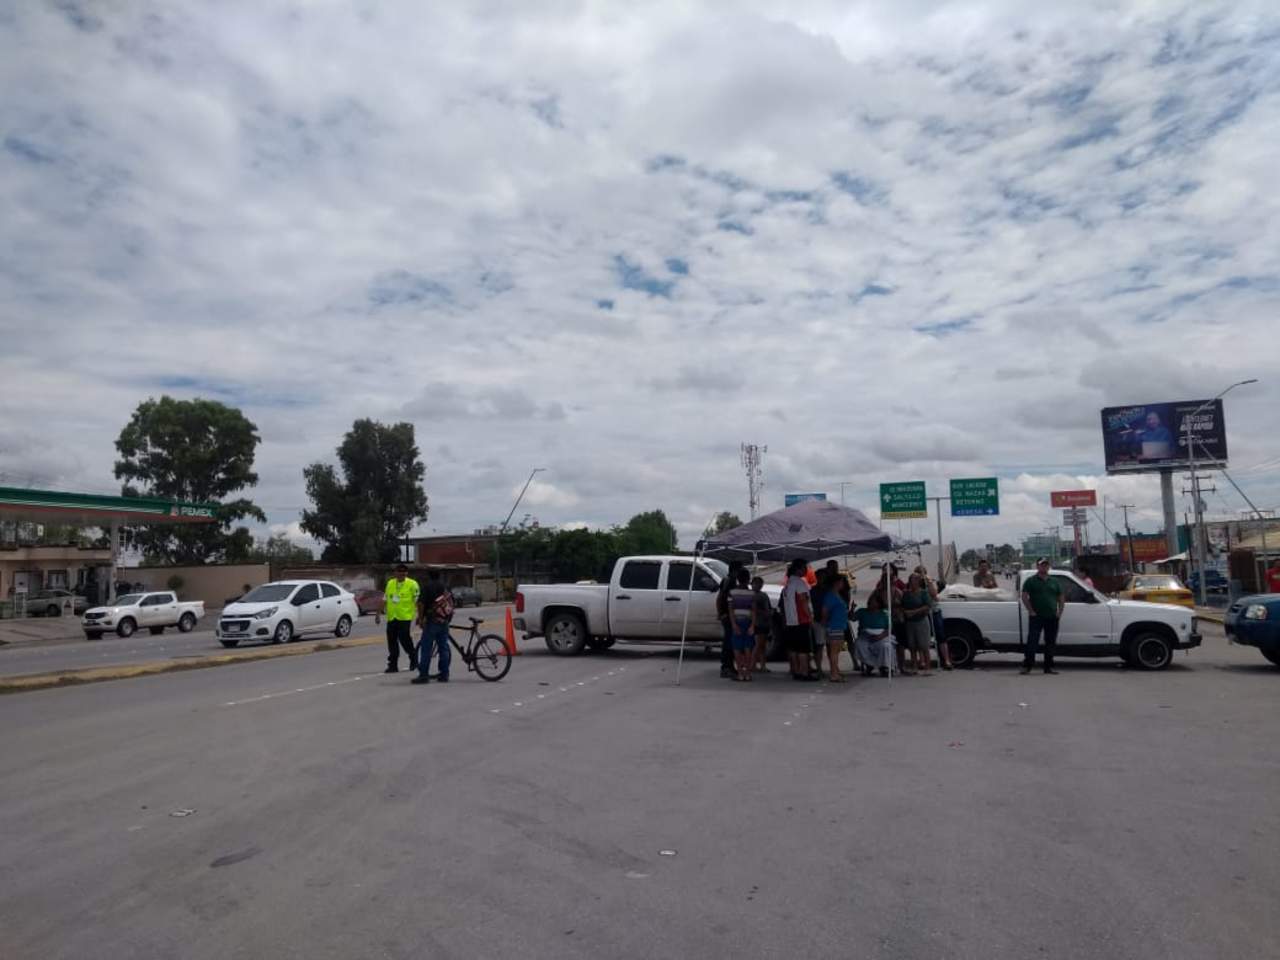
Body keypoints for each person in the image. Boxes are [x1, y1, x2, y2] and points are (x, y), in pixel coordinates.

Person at [1020, 557, 1064, 675]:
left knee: (1050, 642)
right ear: (1037, 566)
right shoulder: (1031, 581)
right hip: (1036, 617)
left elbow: (1061, 597)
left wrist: (1059, 612)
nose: (1044, 567)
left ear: (1048, 566)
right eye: (1042, 565)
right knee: (1032, 642)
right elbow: (1024, 596)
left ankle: (1048, 667)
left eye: (1046, 565)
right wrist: (1031, 611)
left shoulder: (1055, 581)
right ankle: (1027, 666)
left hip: (1052, 617)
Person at [412, 570, 453, 685]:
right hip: (444, 621)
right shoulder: (445, 587)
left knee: (426, 649)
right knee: (443, 648)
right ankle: (444, 674)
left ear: (429, 576)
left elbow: (421, 603)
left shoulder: (427, 587)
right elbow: (451, 603)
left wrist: (420, 618)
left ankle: (424, 675)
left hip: (431, 621)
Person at [780, 558, 816, 681]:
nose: (806, 570)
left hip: (790, 620)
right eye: (805, 568)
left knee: (794, 648)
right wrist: (810, 617)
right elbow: (803, 601)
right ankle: (804, 672)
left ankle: (796, 671)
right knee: (803, 649)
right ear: (798, 569)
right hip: (801, 620)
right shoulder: (800, 583)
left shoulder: (788, 584)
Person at [383, 564, 419, 673]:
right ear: (395, 573)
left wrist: (420, 615)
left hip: (405, 617)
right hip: (392, 617)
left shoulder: (412, 584)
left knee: (405, 639)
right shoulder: (390, 583)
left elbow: (417, 600)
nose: (401, 574)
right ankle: (393, 665)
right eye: (399, 571)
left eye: (404, 572)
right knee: (392, 641)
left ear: (407, 573)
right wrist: (378, 613)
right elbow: (385, 598)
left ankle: (413, 659)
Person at [915, 565, 951, 670]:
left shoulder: (930, 582)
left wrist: (929, 582)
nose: (921, 576)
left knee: (940, 635)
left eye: (922, 573)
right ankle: (922, 660)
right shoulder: (915, 583)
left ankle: (946, 660)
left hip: (934, 611)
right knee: (921, 637)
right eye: (918, 573)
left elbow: (935, 595)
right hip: (922, 613)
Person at [716, 560, 745, 679]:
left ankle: (729, 666)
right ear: (736, 570)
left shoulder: (730, 580)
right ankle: (726, 667)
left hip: (730, 615)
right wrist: (721, 613)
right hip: (727, 615)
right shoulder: (729, 581)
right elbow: (720, 598)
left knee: (731, 641)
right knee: (728, 642)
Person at [900, 572, 933, 675]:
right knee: (912, 645)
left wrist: (914, 612)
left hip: (921, 621)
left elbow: (928, 605)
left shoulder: (923, 593)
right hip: (910, 622)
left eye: (915, 580)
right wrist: (905, 612)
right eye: (911, 580)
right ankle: (914, 666)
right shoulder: (906, 594)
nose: (913, 582)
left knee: (924, 645)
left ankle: (927, 667)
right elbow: (902, 605)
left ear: (919, 581)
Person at [853, 593, 893, 676]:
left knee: (886, 646)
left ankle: (884, 666)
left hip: (882, 635)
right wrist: (852, 609)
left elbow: (889, 628)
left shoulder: (885, 613)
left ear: (878, 604)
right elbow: (852, 618)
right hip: (866, 636)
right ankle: (869, 664)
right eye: (870, 601)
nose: (870, 603)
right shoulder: (862, 611)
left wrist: (880, 636)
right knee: (859, 644)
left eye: (873, 601)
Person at [820, 574, 850, 682]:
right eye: (841, 582)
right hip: (834, 626)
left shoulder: (837, 595)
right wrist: (825, 622)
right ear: (836, 583)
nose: (843, 584)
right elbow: (825, 611)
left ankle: (835, 671)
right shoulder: (831, 596)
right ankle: (834, 674)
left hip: (839, 625)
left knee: (836, 651)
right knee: (834, 651)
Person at [728, 568, 756, 681]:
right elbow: (754, 610)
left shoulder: (732, 593)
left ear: (738, 579)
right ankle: (748, 673)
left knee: (737, 648)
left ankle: (740, 673)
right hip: (748, 621)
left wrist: (733, 624)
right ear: (748, 579)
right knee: (748, 647)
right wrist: (752, 625)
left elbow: (730, 610)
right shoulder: (752, 594)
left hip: (737, 621)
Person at [750, 576, 773, 673]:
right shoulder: (756, 596)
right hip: (759, 622)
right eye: (756, 583)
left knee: (761, 645)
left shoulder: (762, 595)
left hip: (763, 622)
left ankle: (762, 665)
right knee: (759, 645)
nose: (758, 585)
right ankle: (753, 665)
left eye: (759, 584)